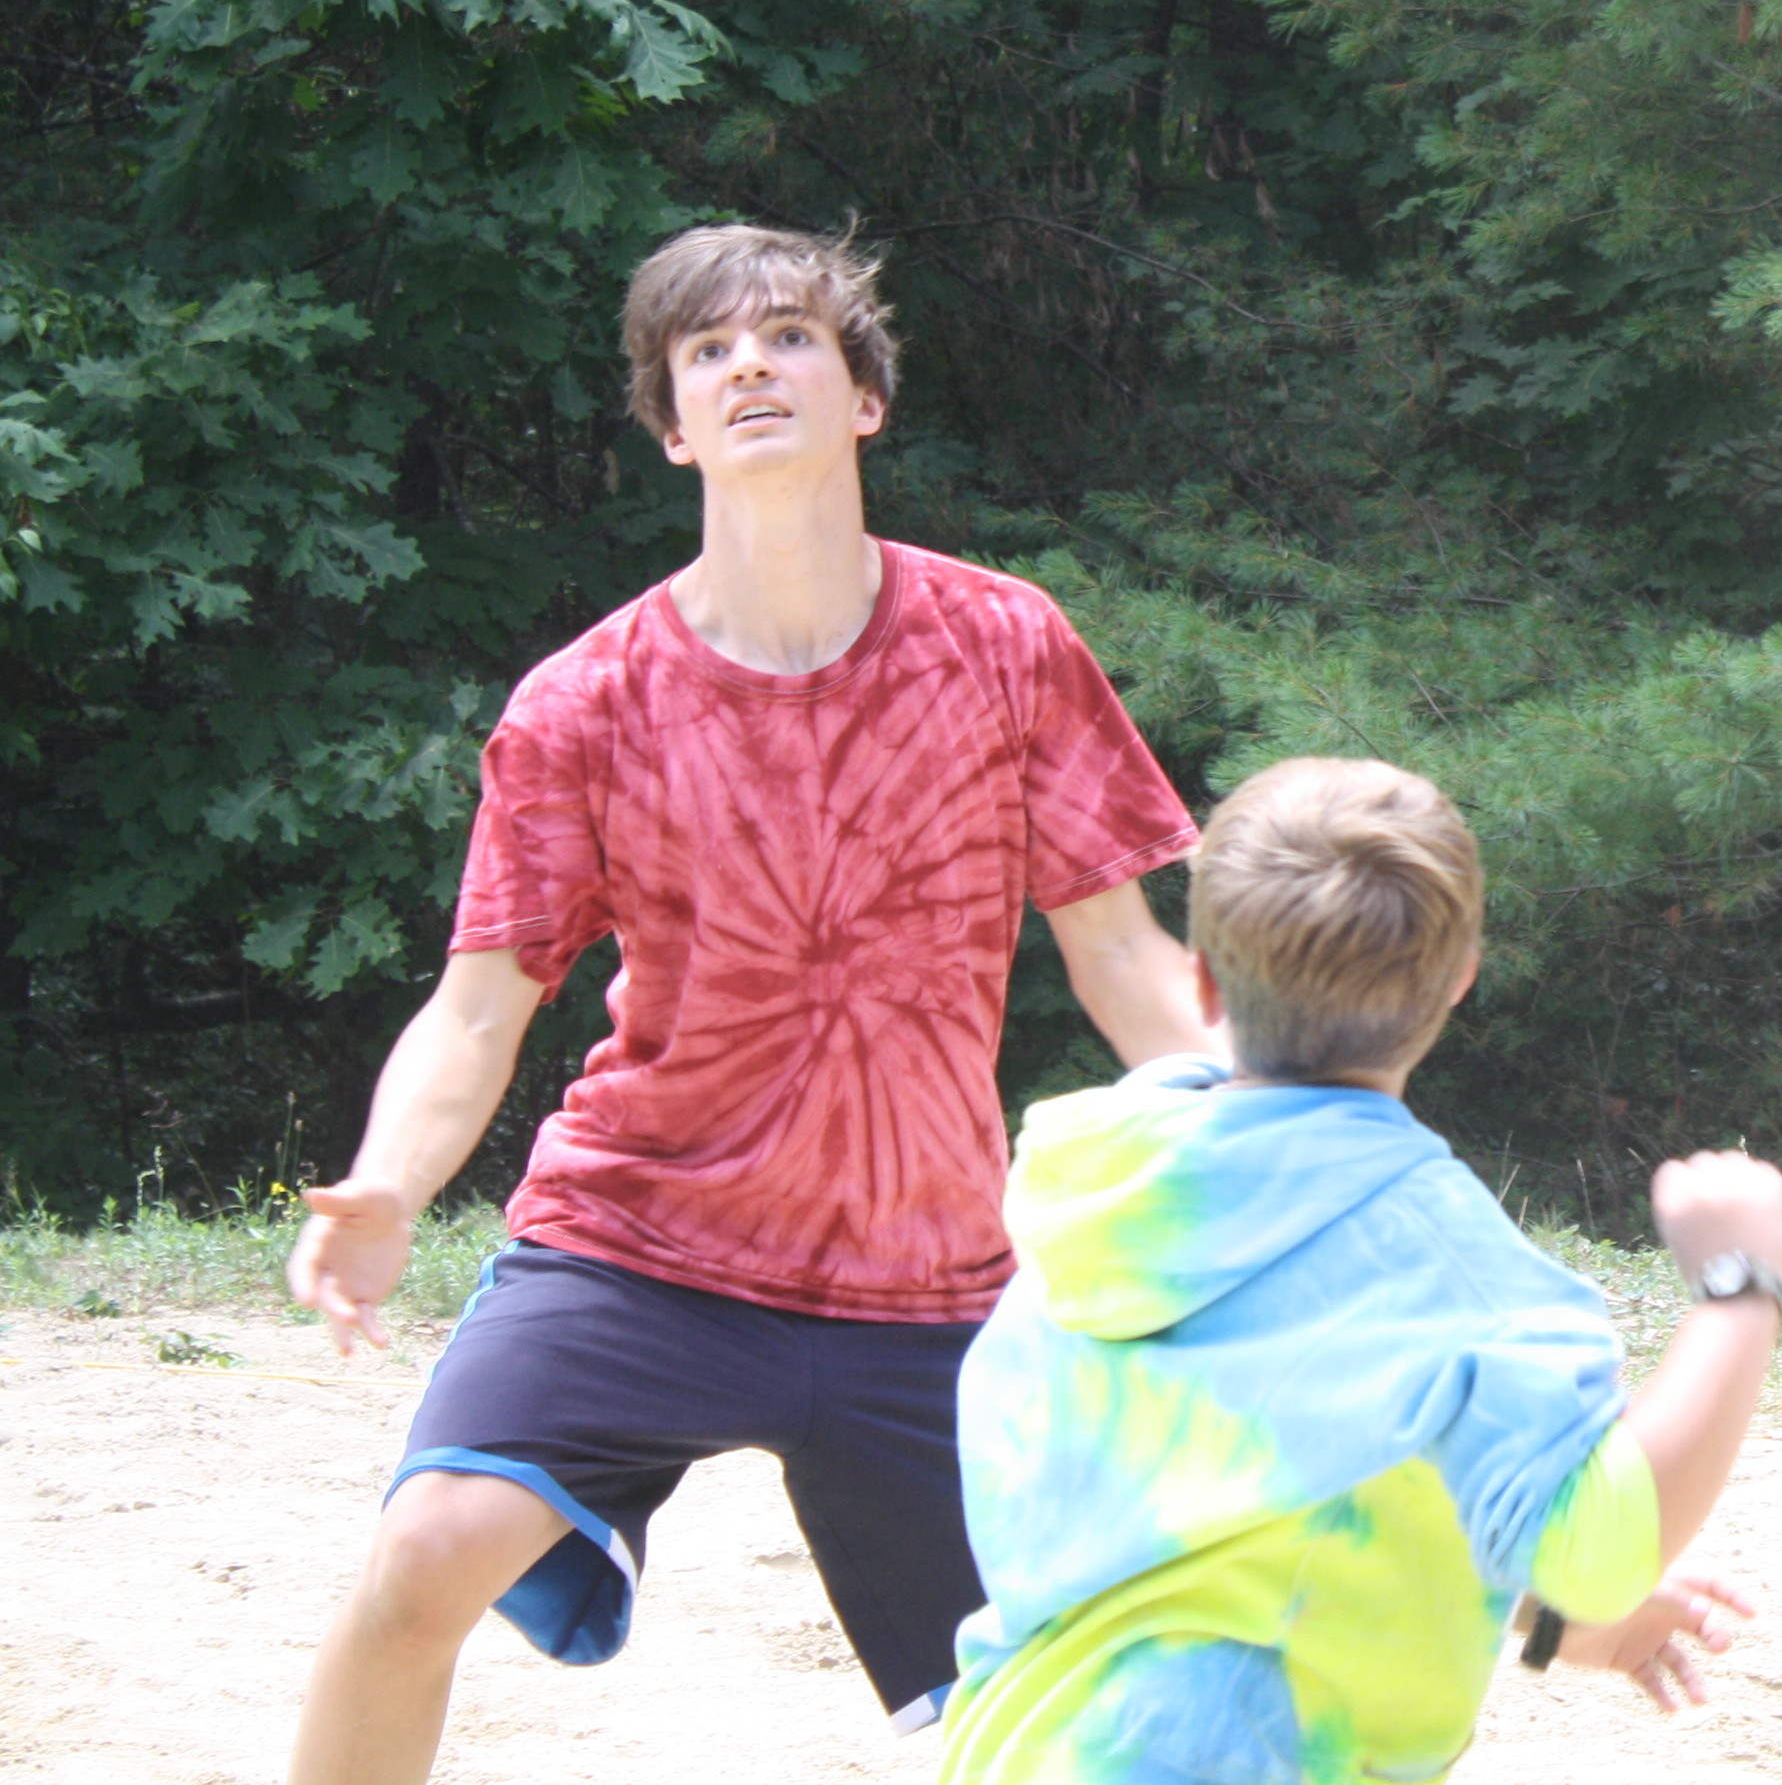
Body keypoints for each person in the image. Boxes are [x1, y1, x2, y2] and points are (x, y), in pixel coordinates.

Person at [281, 223, 1225, 1785]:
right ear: (674, 427)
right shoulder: (583, 703)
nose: (749, 368)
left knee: (1058, 1727)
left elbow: (1122, 956)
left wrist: (1279, 1141)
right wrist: (389, 1182)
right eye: (706, 352)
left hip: (930, 1283)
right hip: (641, 1247)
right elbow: (476, 1012)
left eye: (791, 336)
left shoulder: (1006, 644)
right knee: (424, 1554)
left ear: (866, 398)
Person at [936, 753, 1782, 1784]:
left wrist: (1540, 1613)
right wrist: (1740, 1290)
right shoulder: (1448, 1272)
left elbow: (1233, 1505)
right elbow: (1600, 1551)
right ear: (1462, 978)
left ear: (1202, 978)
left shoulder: (1099, 1195)